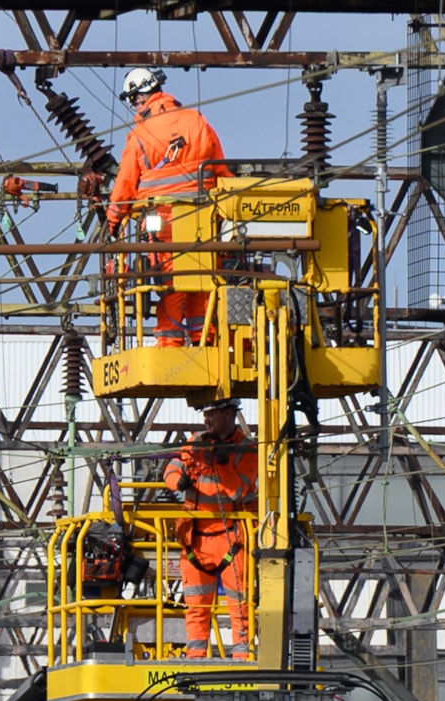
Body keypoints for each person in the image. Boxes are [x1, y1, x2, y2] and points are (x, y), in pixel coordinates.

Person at [106, 68, 233, 347]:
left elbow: (126, 184)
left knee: (171, 283)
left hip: (162, 224)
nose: (133, 106)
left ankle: (169, 344)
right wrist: (229, 214)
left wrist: (113, 221)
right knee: (202, 278)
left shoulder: (140, 134)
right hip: (205, 220)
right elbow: (222, 172)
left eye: (132, 99)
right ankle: (206, 340)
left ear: (140, 96)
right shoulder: (197, 121)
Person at [164, 398, 257, 659]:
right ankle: (195, 658)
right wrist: (177, 482)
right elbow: (170, 470)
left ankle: (242, 657)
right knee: (195, 605)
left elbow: (237, 490)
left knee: (240, 604)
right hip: (196, 541)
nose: (206, 420)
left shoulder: (247, 450)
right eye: (205, 414)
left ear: (229, 415)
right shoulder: (196, 443)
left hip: (232, 539)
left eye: (211, 415)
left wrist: (224, 464)